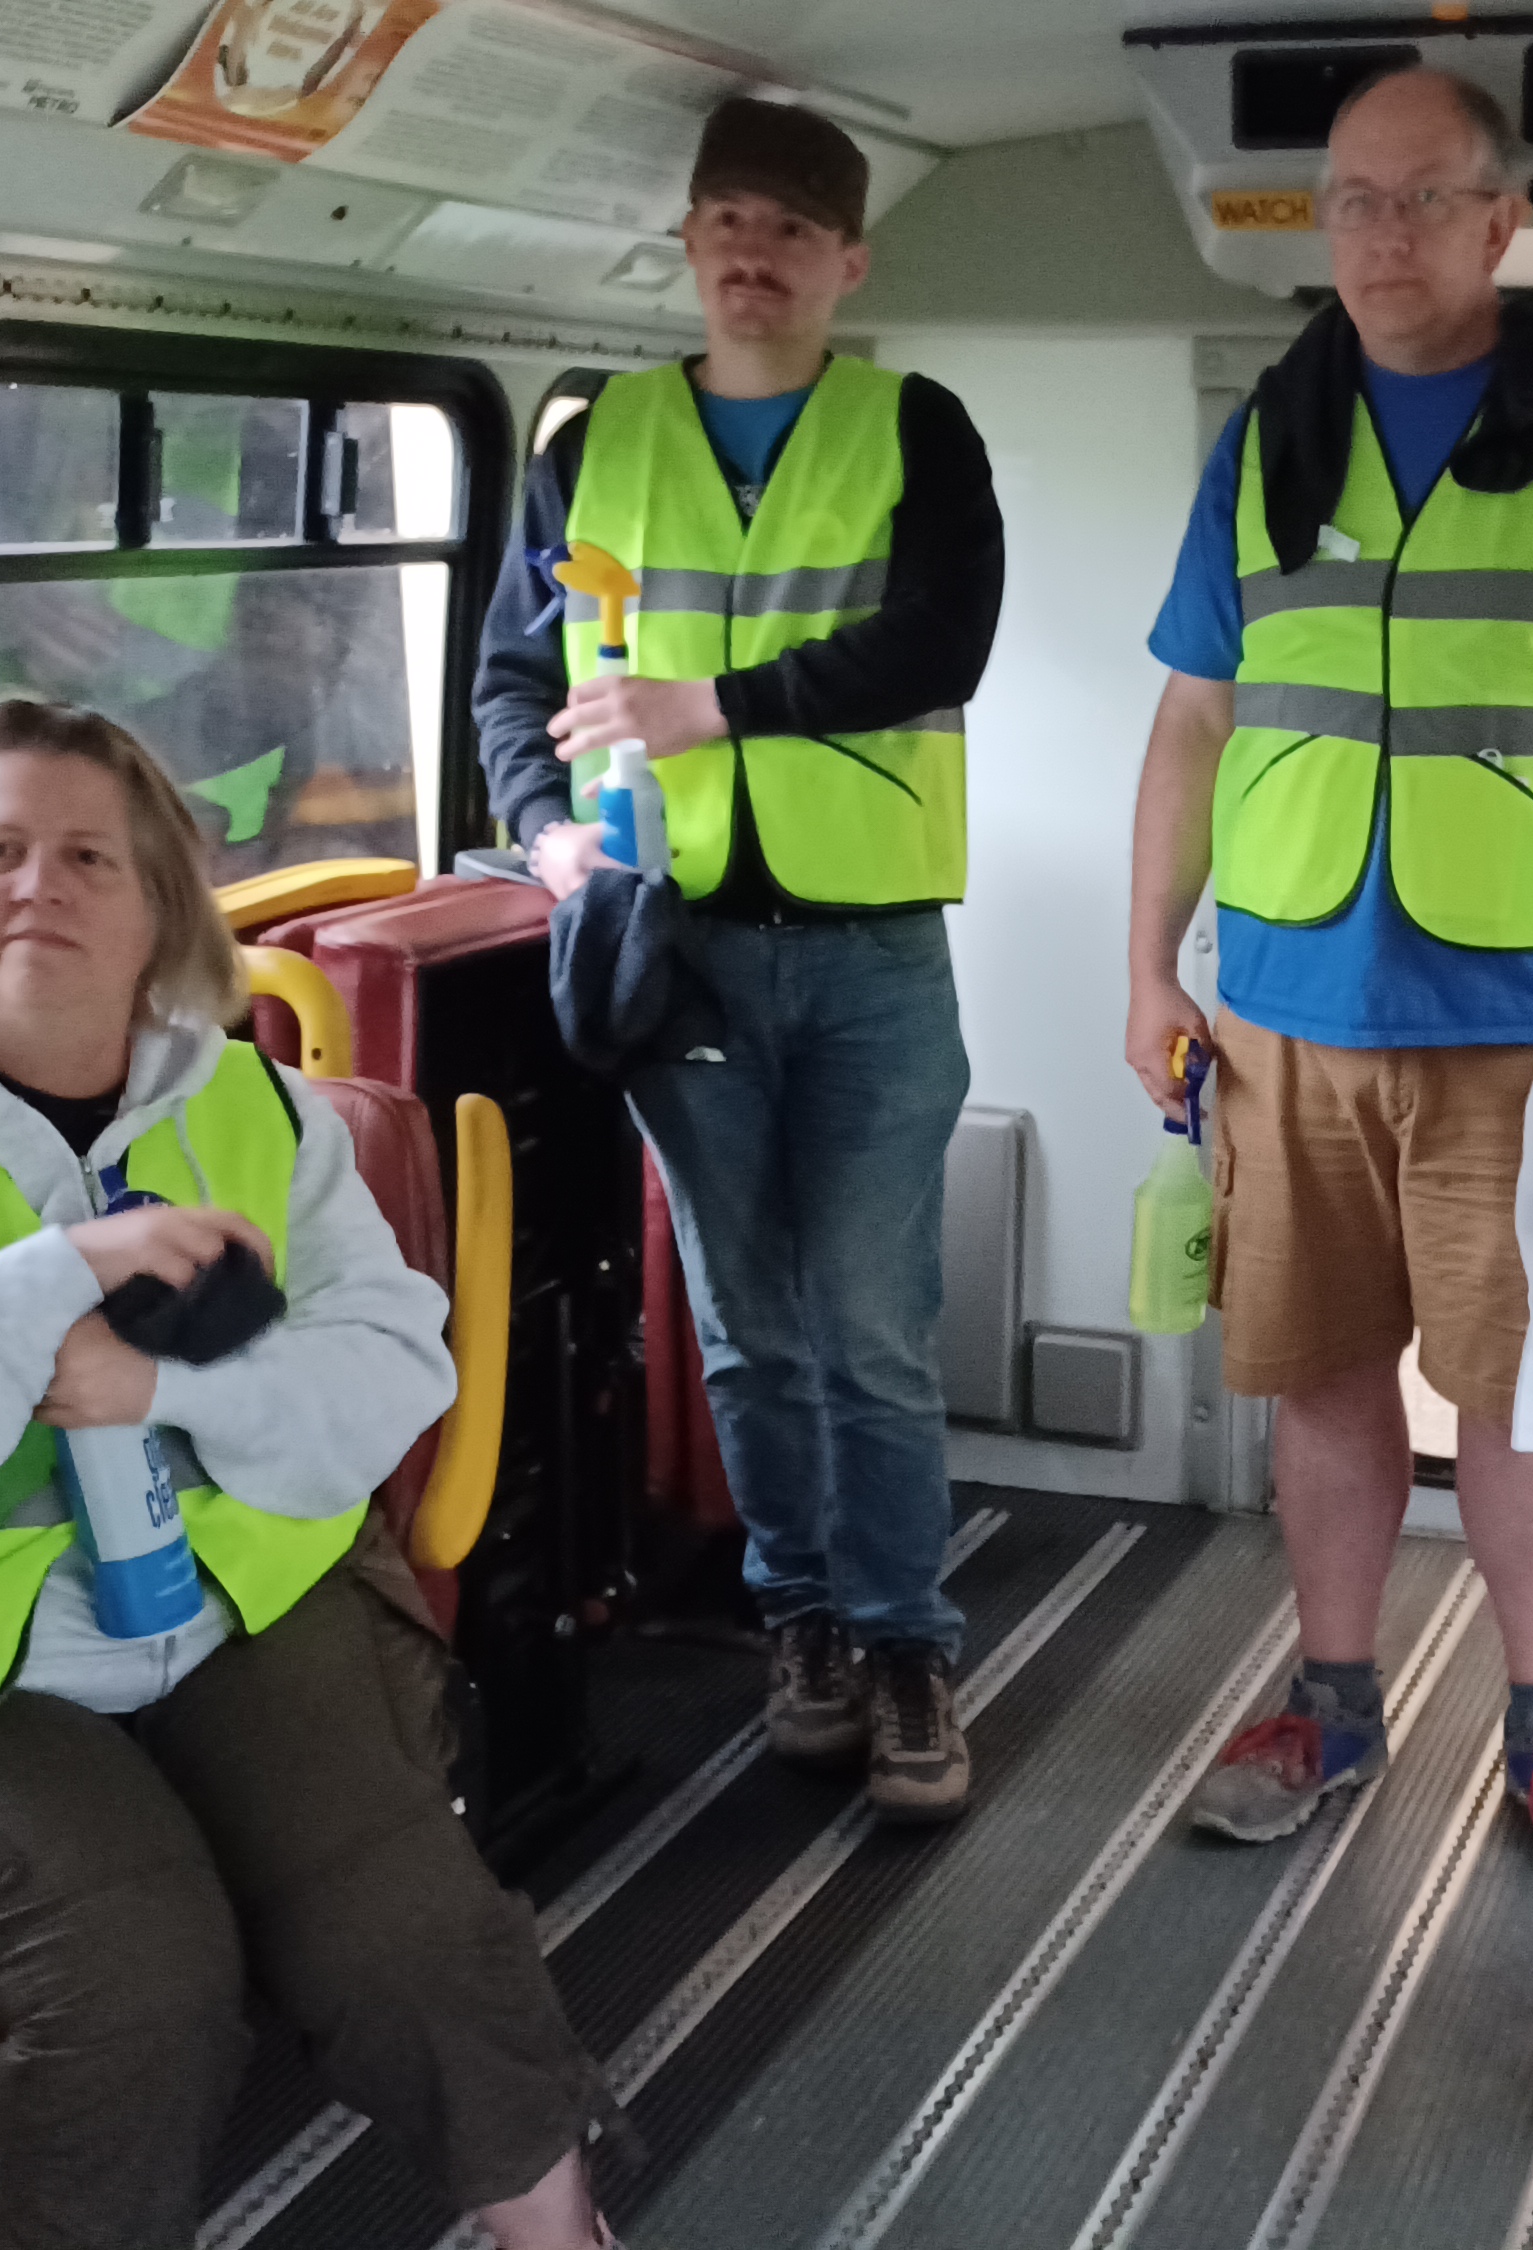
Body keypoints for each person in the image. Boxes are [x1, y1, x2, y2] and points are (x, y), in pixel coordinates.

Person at [0, 701, 615, 2250]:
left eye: (86, 856)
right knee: (134, 1969)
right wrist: (36, 1287)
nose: (38, 884)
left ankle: (563, 2235)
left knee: (407, 1926)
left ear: (158, 913)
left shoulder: (251, 1107)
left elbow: (394, 1369)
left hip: (219, 1598)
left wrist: (164, 1382)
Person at [1121, 65, 1533, 1873]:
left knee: (1529, 1395)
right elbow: (1197, 713)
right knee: (1317, 1378)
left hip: (1532, 1021)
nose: (1379, 234)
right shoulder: (1269, 433)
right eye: (1351, 199)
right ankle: (1332, 1698)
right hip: (1284, 1014)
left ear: (1503, 221)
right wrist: (1151, 967)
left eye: (1424, 199)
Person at [470, 97, 1005, 1821]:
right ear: (688, 247)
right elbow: (509, 682)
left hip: (869, 950)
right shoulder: (592, 440)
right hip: (675, 947)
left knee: (871, 1322)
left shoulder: (912, 427)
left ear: (849, 262)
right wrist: (546, 835)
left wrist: (720, 703)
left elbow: (947, 639)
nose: (754, 257)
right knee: (747, 1328)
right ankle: (804, 1625)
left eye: (790, 232)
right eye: (728, 225)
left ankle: (911, 1639)